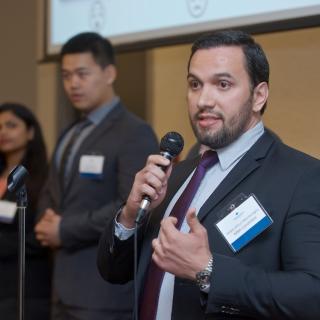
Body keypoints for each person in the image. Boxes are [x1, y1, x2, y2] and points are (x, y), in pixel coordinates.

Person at [97, 30, 320, 319]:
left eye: (223, 84)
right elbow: (114, 271)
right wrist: (129, 216)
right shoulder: (177, 175)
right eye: (195, 84)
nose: (203, 99)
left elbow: (312, 295)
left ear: (259, 96)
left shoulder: (302, 178)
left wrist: (209, 271)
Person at [34, 32, 158, 320]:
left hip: (103, 293)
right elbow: (51, 192)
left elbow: (134, 207)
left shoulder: (134, 133)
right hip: (61, 290)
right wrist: (44, 220)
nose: (73, 84)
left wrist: (64, 230)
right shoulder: (70, 133)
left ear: (109, 73)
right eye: (66, 76)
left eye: (82, 74)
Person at [0, 102, 51, 320]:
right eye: (0, 127)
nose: (3, 132)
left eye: (11, 125)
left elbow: (41, 237)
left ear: (30, 132)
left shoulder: (43, 179)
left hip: (25, 289)